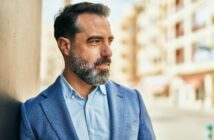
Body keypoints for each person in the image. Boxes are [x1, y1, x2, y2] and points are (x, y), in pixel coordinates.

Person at [20, 2, 155, 140]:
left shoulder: (133, 100)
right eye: (95, 41)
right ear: (65, 46)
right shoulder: (32, 112)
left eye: (110, 41)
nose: (108, 51)